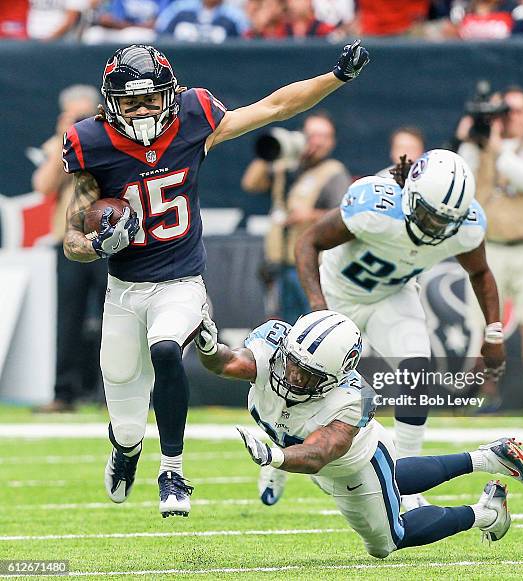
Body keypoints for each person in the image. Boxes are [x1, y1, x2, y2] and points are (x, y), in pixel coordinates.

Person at [61, 42, 370, 518]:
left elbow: (275, 106)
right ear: (110, 104)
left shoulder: (193, 117)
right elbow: (72, 239)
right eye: (131, 101)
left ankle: (173, 470)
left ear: (171, 94)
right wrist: (97, 243)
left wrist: (336, 77)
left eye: (152, 99)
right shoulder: (92, 142)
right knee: (123, 404)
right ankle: (126, 451)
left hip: (181, 280)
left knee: (167, 348)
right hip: (124, 290)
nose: (144, 110)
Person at [195, 308, 523, 558]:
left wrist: (276, 457)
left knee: (387, 541)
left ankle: (486, 513)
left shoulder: (352, 399)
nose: (292, 377)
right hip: (327, 460)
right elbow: (229, 362)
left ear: (334, 377)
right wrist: (210, 350)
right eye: (291, 363)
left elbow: (319, 454)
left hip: (353, 463)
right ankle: (486, 458)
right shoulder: (273, 345)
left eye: (308, 374)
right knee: (394, 480)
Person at [294, 149, 506, 509]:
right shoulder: (373, 207)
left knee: (416, 373)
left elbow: (480, 272)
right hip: (338, 294)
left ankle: (404, 483)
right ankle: (281, 462)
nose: (436, 229)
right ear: (410, 198)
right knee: (307, 389)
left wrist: (494, 334)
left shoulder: (467, 224)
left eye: (445, 221)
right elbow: (307, 242)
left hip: (391, 295)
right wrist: (319, 306)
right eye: (430, 215)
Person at [457, 87, 523, 415]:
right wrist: (468, 141)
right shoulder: (483, 148)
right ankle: (488, 393)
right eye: (503, 111)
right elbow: (462, 181)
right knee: (488, 324)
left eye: (514, 111)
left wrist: (500, 151)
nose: (508, 117)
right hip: (491, 248)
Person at [33, 85, 107, 414]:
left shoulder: (109, 138)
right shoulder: (63, 144)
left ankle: (112, 393)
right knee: (69, 318)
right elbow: (43, 186)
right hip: (70, 241)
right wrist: (65, 139)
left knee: (118, 317)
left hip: (109, 239)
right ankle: (64, 391)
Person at [242, 111, 352, 324]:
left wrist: (309, 215)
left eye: (324, 136)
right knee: (284, 326)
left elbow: (345, 214)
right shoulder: (285, 165)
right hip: (278, 264)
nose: (317, 142)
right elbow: (251, 184)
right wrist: (275, 149)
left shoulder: (333, 172)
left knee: (314, 324)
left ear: (332, 142)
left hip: (310, 266)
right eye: (312, 135)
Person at [155, 0, 249, 43]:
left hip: (220, 67)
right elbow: (161, 34)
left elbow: (244, 42)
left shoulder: (235, 16)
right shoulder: (179, 8)